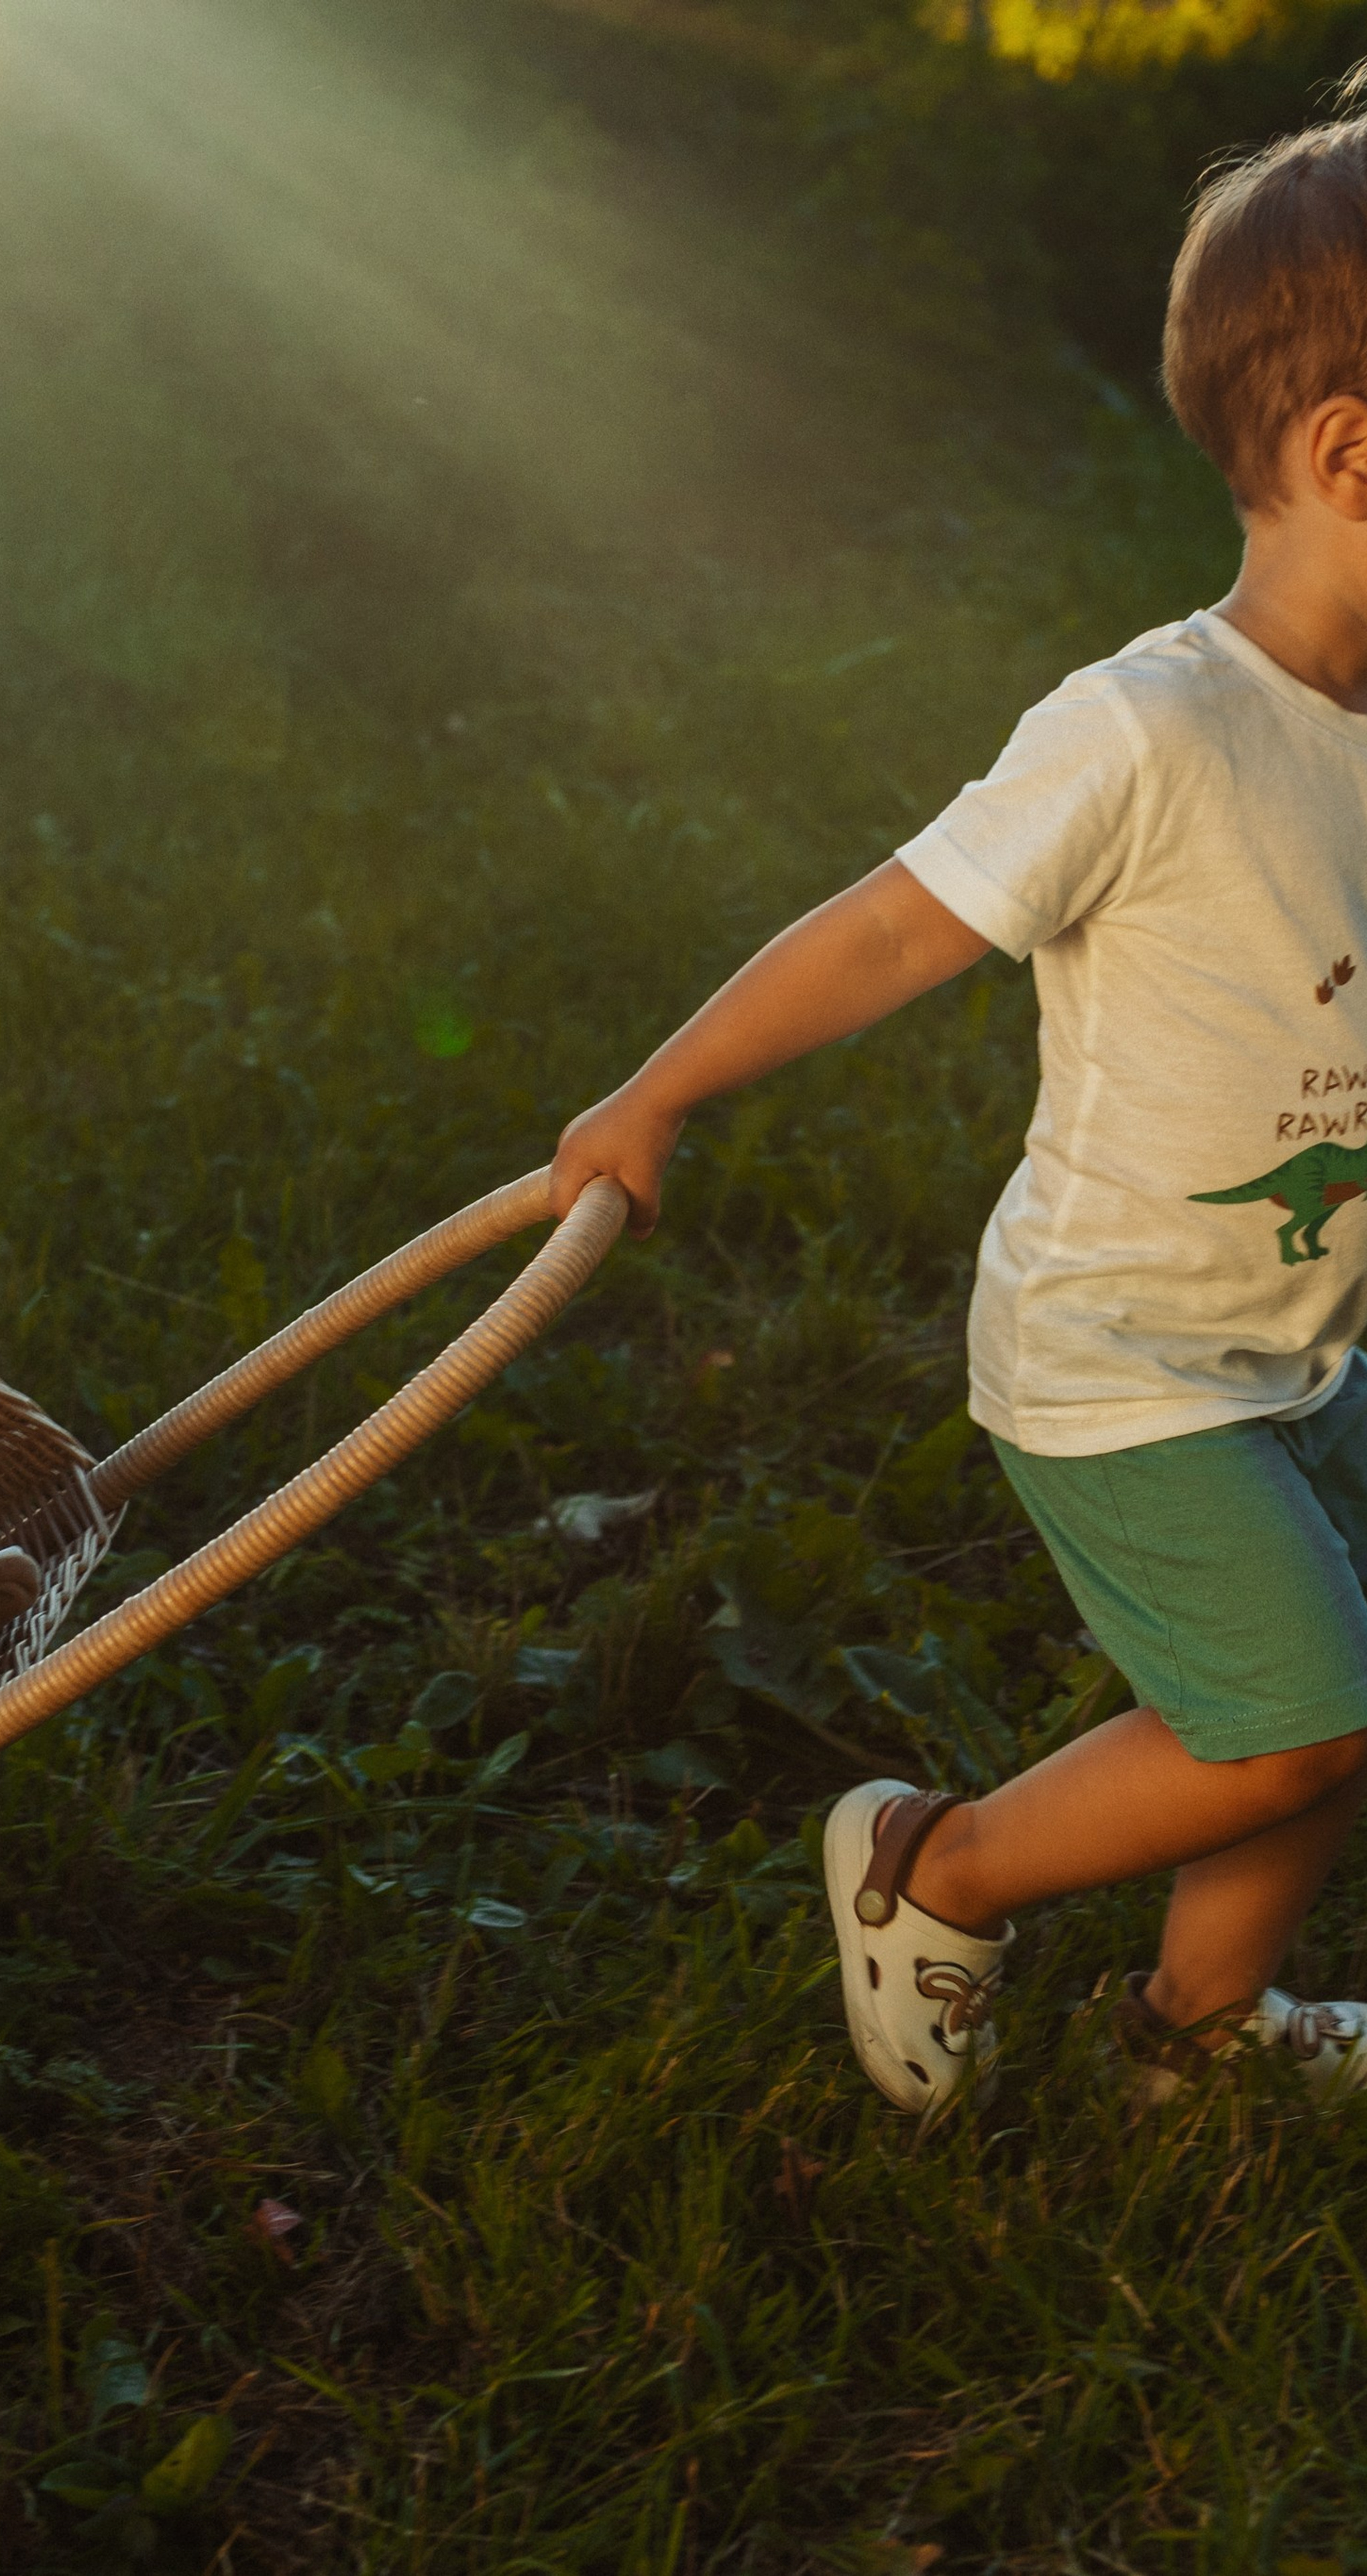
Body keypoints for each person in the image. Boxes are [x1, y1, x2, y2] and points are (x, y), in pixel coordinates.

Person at [549, 95, 1367, 2113]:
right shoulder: (1154, 729)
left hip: (1297, 1342)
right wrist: (654, 1094)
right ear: (1355, 454)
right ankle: (939, 1865)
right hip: (1121, 1362)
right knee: (1297, 1719)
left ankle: (1199, 2045)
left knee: (1316, 1688)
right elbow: (893, 933)